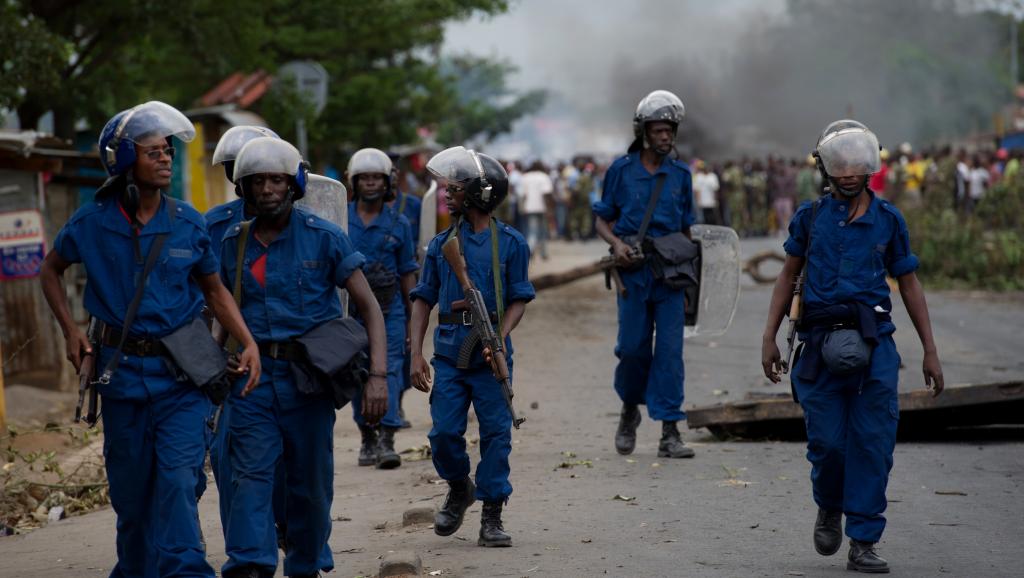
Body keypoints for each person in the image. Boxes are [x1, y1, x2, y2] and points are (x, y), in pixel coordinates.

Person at [39, 101, 261, 578]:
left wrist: (247, 341)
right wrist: (70, 330)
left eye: (168, 152)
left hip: (181, 378)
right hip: (119, 379)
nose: (166, 160)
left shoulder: (187, 222)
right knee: (131, 495)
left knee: (180, 480)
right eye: (154, 152)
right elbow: (50, 270)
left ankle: (186, 570)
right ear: (124, 162)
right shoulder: (91, 222)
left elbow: (214, 289)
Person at [761, 120, 944, 574]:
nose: (847, 173)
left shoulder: (889, 220)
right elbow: (787, 275)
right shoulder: (809, 218)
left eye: (856, 164)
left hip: (874, 345)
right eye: (838, 164)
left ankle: (863, 539)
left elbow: (909, 282)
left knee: (873, 444)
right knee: (827, 445)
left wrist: (930, 349)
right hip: (819, 345)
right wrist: (769, 337)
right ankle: (829, 505)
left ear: (870, 166)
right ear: (824, 166)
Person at [219, 137, 388, 578]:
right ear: (245, 188)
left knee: (310, 489)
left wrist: (379, 376)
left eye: (277, 179)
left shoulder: (324, 237)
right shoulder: (232, 244)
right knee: (250, 480)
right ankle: (251, 566)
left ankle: (306, 565)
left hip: (309, 382)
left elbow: (369, 307)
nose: (268, 189)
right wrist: (214, 367)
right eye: (258, 181)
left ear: (293, 185)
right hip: (251, 383)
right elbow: (219, 312)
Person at [409, 146, 534, 547]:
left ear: (480, 193)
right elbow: (423, 299)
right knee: (444, 434)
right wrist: (414, 353)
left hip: (490, 352)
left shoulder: (511, 243)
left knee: (497, 434)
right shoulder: (441, 245)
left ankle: (492, 515)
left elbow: (519, 298)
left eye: (455, 188)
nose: (447, 193)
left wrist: (500, 336)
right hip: (449, 352)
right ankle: (460, 486)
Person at [592, 89, 697, 460]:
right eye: (659, 130)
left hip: (670, 276)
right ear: (643, 132)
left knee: (670, 352)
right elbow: (602, 218)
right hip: (633, 276)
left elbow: (687, 230)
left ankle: (670, 431)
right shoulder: (621, 171)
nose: (666, 136)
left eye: (670, 130)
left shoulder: (681, 175)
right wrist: (616, 245)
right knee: (633, 350)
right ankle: (629, 409)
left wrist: (692, 284)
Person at [204, 124, 287, 547]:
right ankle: (246, 547)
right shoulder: (212, 225)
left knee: (289, 465)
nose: (251, 179)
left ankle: (290, 533)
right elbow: (202, 295)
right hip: (229, 363)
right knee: (226, 457)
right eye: (239, 169)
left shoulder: (300, 224)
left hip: (289, 363)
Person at [346, 148, 419, 468]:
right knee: (356, 372)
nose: (371, 183)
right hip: (350, 313)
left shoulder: (399, 223)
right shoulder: (339, 218)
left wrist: (413, 321)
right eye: (365, 178)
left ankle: (387, 438)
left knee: (388, 369)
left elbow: (407, 273)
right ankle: (367, 437)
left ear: (387, 182)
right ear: (354, 181)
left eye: (377, 177)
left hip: (391, 311)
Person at [517, 161, 553, 260]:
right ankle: (540, 252)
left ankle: (532, 251)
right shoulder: (544, 176)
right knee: (542, 231)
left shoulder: (525, 177)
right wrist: (549, 209)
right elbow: (546, 194)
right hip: (541, 207)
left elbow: (522, 194)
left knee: (532, 230)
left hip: (529, 207)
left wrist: (522, 207)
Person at [692, 159, 720, 225]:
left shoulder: (712, 176)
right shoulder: (698, 176)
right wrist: (698, 200)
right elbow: (697, 190)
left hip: (711, 201)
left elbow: (715, 190)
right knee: (704, 217)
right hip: (703, 201)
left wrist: (716, 200)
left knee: (712, 217)